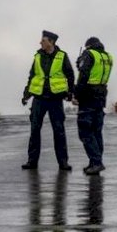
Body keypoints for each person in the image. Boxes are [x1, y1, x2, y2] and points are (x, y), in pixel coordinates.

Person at [21, 30, 75, 170]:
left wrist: (70, 92)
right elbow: (32, 76)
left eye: (43, 40)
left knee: (59, 131)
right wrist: (27, 94)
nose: (40, 42)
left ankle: (63, 162)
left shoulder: (62, 56)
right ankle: (32, 161)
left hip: (55, 99)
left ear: (51, 42)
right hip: (39, 99)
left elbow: (70, 75)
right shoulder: (38, 56)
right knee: (34, 130)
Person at [74, 37, 113, 175]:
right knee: (96, 132)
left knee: (85, 131)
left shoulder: (89, 54)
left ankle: (96, 162)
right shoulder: (108, 57)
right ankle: (94, 162)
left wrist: (76, 94)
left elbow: (84, 75)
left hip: (88, 96)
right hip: (101, 96)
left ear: (88, 46)